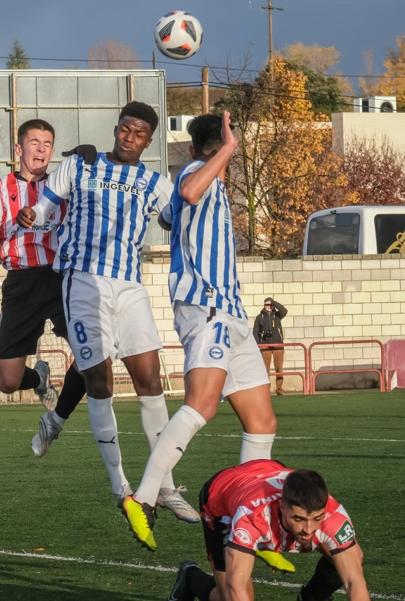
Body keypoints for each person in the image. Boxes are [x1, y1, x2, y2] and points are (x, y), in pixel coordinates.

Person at [19, 102, 197, 521]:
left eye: (138, 134)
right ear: (116, 129)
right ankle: (121, 487)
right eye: (124, 130)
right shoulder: (81, 165)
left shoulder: (155, 183)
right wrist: (32, 215)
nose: (128, 138)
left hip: (130, 285)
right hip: (83, 280)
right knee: (99, 380)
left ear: (149, 141)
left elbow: (181, 214)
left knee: (150, 379)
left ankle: (164, 487)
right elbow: (43, 209)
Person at [122, 112, 276, 551]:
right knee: (202, 405)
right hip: (206, 307)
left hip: (233, 314)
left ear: (193, 146)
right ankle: (143, 498)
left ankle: (250, 527)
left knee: (262, 421)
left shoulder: (214, 184)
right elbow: (187, 191)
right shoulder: (193, 173)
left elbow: (171, 215)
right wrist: (227, 149)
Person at [0, 118, 90, 457]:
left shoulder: (63, 185)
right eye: (35, 142)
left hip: (61, 277)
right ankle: (39, 379)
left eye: (48, 143)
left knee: (92, 354)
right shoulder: (1, 188)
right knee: (7, 381)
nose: (42, 149)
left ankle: (59, 418)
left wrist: (91, 158)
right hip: (21, 282)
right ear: (19, 149)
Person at [167, 460, 370, 601]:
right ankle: (190, 577)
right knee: (227, 595)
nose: (308, 530)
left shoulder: (334, 516)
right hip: (221, 497)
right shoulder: (251, 517)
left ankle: (312, 597)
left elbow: (354, 582)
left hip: (267, 470)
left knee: (351, 558)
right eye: (298, 519)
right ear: (282, 506)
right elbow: (235, 587)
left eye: (316, 519)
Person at [254, 297, 288, 395]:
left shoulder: (277, 315)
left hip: (278, 344)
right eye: (266, 305)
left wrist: (274, 303)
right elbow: (255, 332)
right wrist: (258, 345)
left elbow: (284, 311)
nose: (268, 307)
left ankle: (279, 388)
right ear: (263, 305)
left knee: (279, 368)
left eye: (270, 305)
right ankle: (266, 390)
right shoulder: (259, 317)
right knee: (265, 369)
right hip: (265, 345)